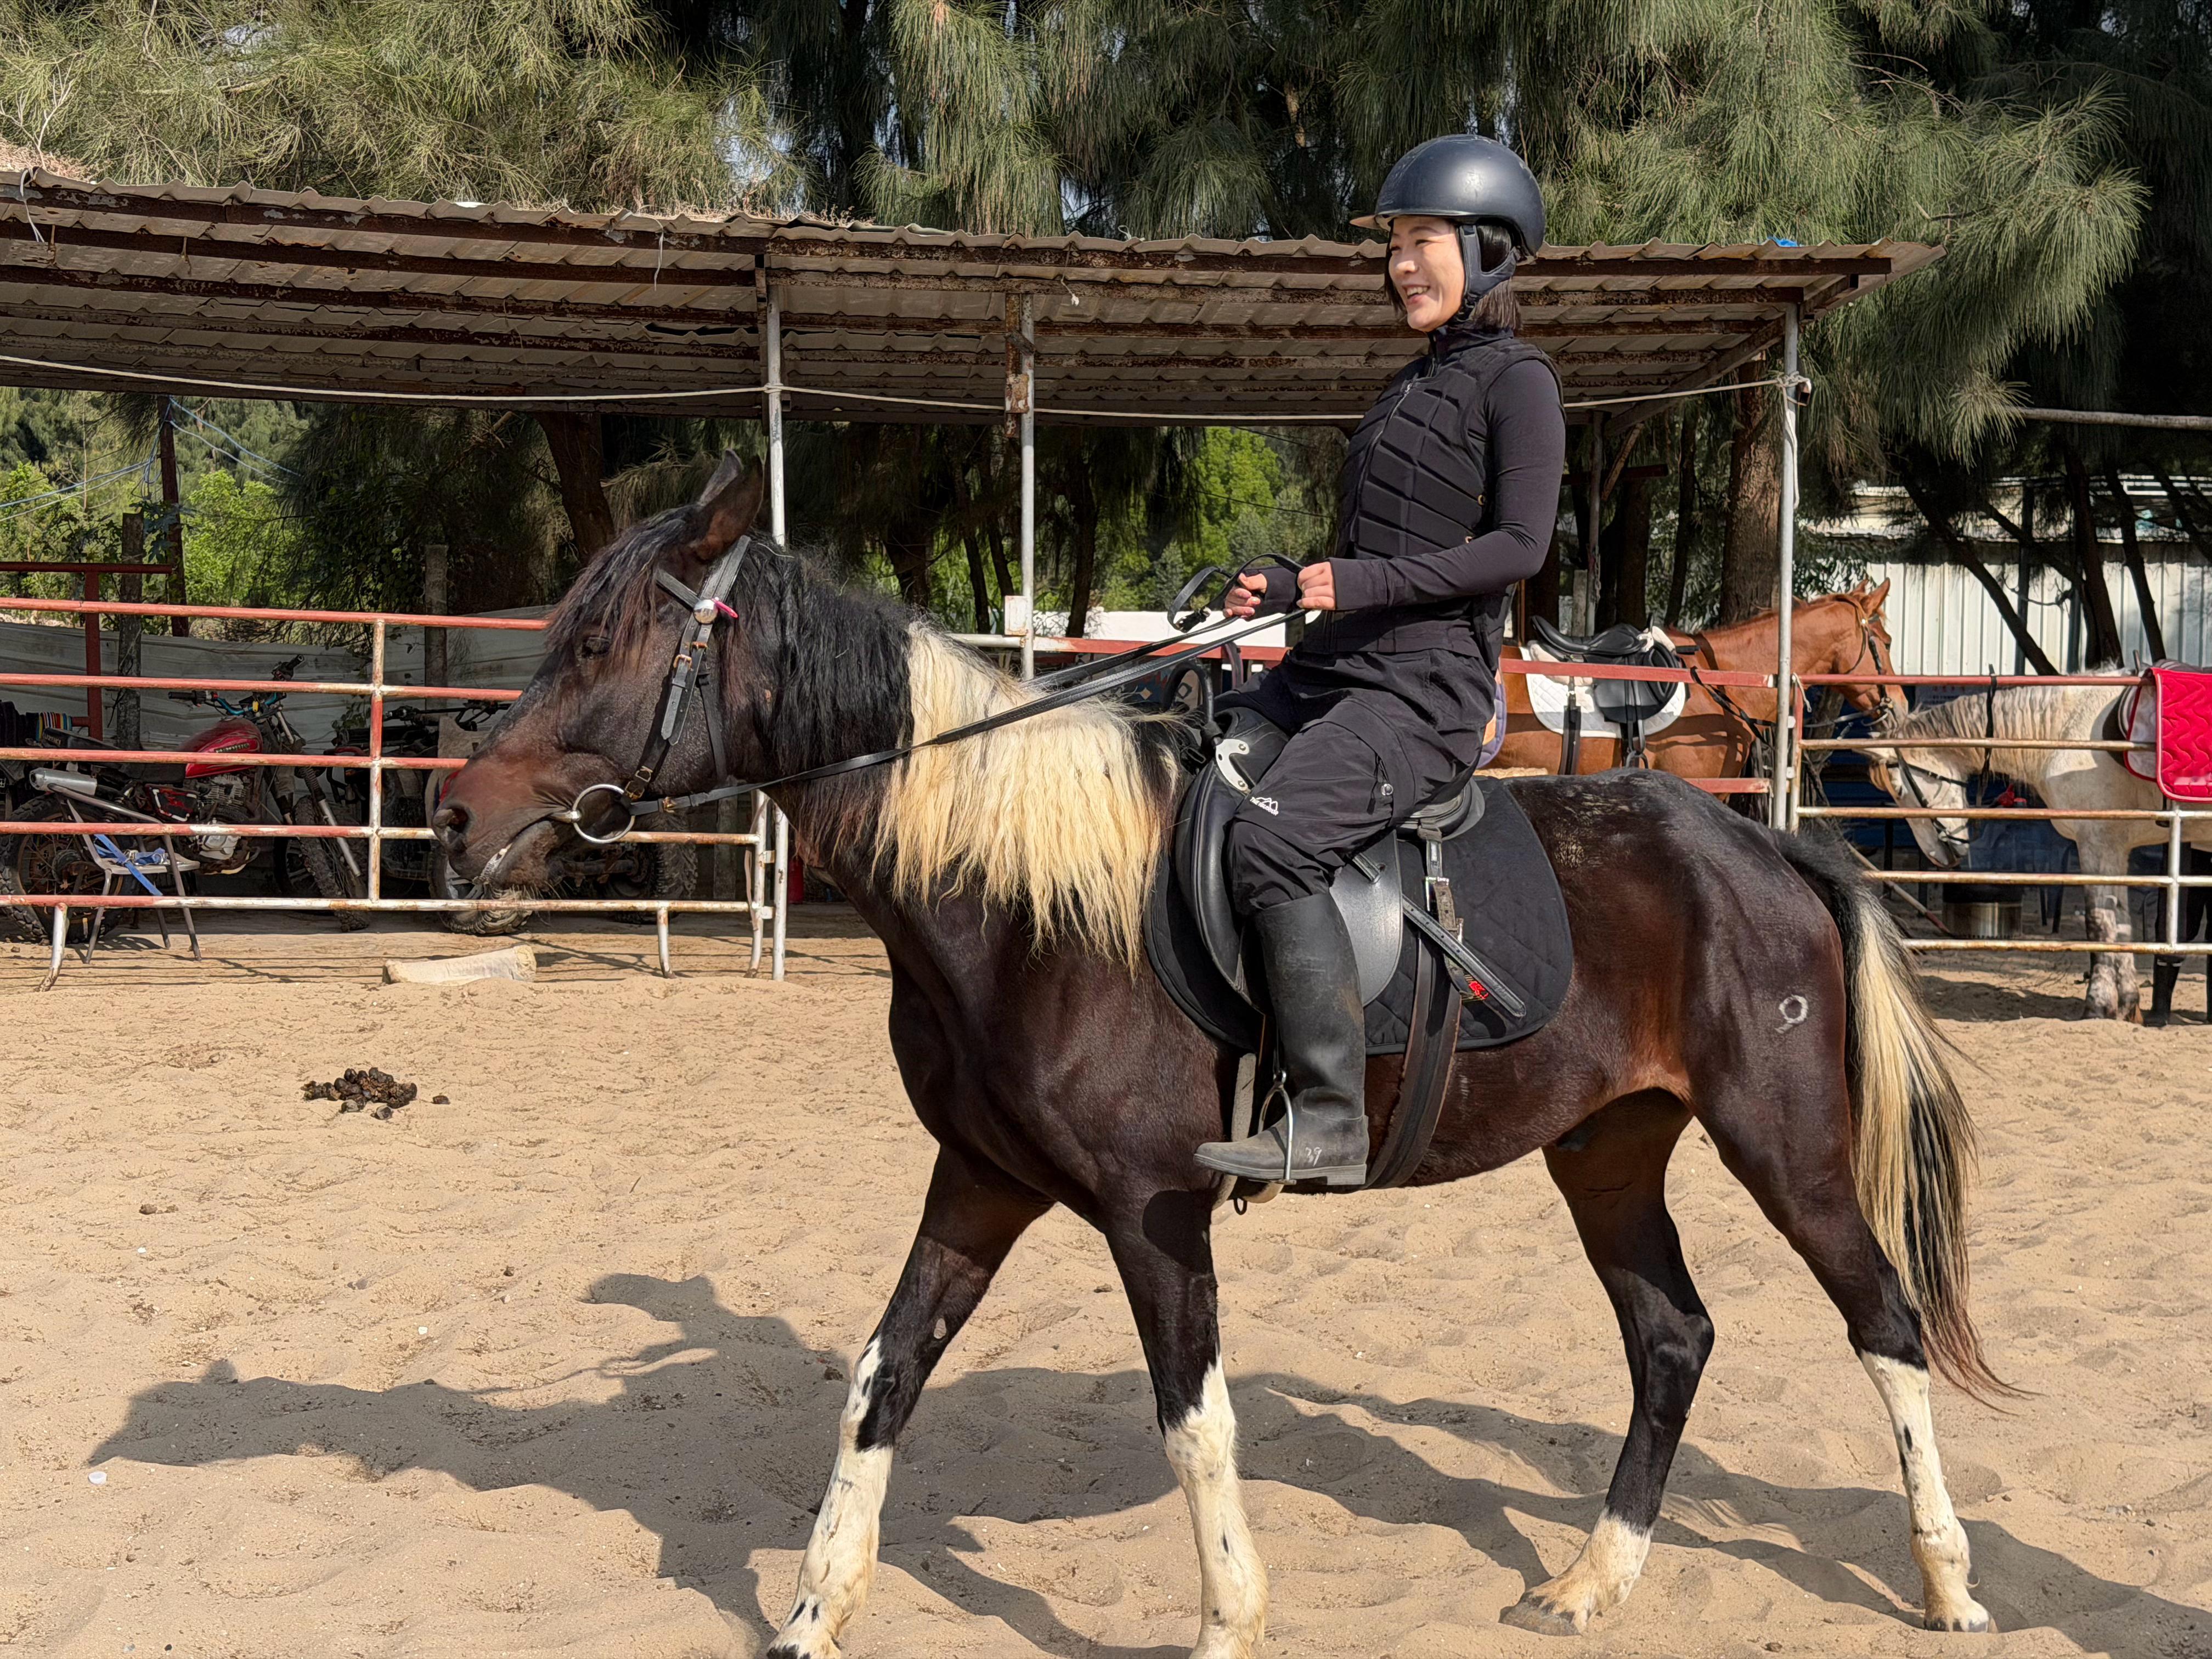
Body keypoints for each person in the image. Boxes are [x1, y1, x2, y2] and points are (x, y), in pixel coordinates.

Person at [1193, 134, 1568, 1187]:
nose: (1402, 264)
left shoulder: (1519, 382)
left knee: (1275, 845)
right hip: (1337, 665)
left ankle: (1328, 1117)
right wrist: (1282, 579)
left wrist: (1358, 585)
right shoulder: (1408, 387)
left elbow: (1519, 548)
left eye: (1423, 242)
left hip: (1424, 691)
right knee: (1189, 767)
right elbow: (1371, 550)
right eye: (1396, 245)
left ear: (1488, 248)